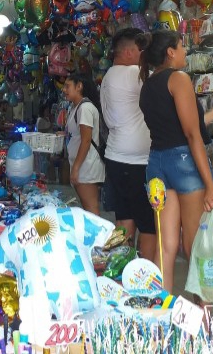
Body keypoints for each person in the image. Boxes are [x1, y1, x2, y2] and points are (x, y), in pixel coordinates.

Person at [137, 30, 213, 292]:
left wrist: (209, 116)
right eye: (181, 46)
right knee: (196, 244)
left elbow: (174, 126)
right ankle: (204, 310)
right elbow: (190, 134)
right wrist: (209, 184)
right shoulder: (179, 79)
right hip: (184, 163)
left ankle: (162, 308)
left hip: (156, 165)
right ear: (170, 52)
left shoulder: (147, 86)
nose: (185, 51)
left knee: (165, 247)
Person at [100, 28, 156, 261]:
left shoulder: (108, 77)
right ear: (130, 51)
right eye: (141, 49)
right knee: (149, 224)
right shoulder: (134, 74)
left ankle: (120, 270)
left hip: (115, 156)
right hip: (137, 162)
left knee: (124, 220)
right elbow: (163, 85)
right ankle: (146, 273)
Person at [63, 73, 106, 214]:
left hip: (86, 166)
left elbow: (86, 140)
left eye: (67, 86)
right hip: (82, 164)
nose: (64, 89)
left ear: (79, 86)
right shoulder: (75, 107)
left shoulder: (85, 108)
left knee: (91, 208)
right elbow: (78, 134)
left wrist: (76, 168)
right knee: (87, 207)